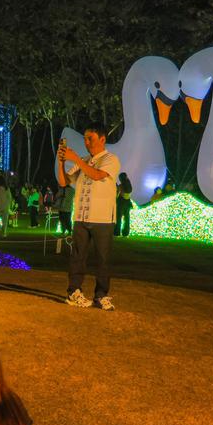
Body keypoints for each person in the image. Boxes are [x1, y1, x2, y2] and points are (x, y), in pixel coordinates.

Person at [57, 125, 120, 310]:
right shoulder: (83, 161)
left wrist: (75, 158)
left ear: (102, 139)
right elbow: (63, 182)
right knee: (77, 257)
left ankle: (101, 295)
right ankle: (74, 292)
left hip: (103, 219)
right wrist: (61, 161)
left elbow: (97, 175)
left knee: (103, 259)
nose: (86, 142)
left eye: (90, 138)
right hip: (81, 217)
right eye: (85, 139)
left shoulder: (111, 159)